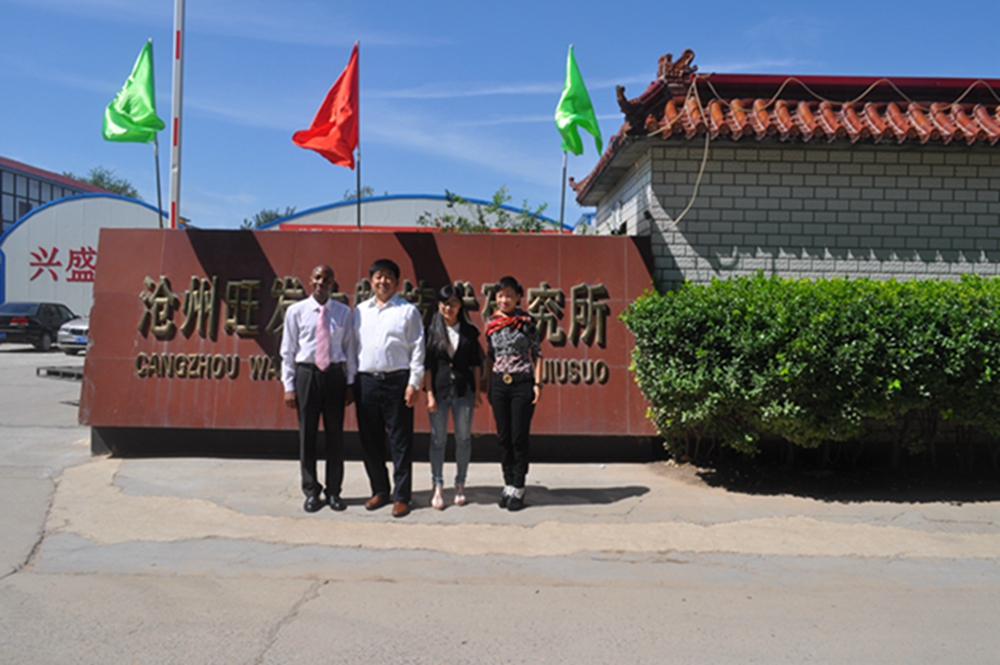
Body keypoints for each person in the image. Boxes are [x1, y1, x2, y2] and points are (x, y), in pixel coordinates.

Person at [352, 258, 425, 518]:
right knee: (370, 441)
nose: (383, 281)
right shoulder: (360, 311)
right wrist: (351, 381)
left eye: (388, 277)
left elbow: (418, 348)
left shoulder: (408, 311)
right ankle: (380, 490)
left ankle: (402, 496)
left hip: (397, 382)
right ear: (370, 281)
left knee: (400, 442)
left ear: (396, 282)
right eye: (378, 276)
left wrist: (414, 383)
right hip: (366, 382)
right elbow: (352, 348)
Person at [280, 264, 356, 513]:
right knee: (307, 436)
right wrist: (289, 385)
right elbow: (288, 351)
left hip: (334, 376)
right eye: (317, 278)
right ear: (310, 280)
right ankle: (311, 491)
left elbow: (350, 349)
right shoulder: (296, 311)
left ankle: (334, 491)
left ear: (333, 282)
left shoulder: (343, 312)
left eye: (327, 278)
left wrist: (350, 383)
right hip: (307, 375)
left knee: (335, 436)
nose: (322, 282)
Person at [423, 284, 484, 509]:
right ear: (438, 305)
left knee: (463, 439)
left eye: (453, 303)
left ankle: (460, 484)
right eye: (444, 303)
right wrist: (429, 394)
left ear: (460, 306)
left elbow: (476, 364)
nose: (448, 307)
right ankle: (438, 486)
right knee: (438, 440)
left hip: (463, 392)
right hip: (439, 392)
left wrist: (476, 392)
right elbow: (427, 366)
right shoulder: (431, 331)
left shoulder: (469, 331)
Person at [485, 276, 542, 511]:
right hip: (499, 384)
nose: (504, 299)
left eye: (509, 295)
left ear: (518, 297)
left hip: (522, 383)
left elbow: (537, 354)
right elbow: (490, 356)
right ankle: (508, 484)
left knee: (518, 437)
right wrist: (488, 386)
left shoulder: (527, 322)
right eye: (500, 295)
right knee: (503, 437)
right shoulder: (491, 323)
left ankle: (519, 486)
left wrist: (537, 384)